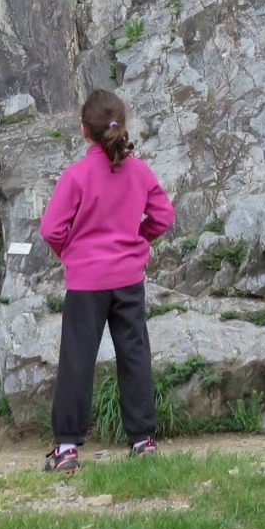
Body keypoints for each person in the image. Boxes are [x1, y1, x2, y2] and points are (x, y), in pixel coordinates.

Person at [39, 90, 175, 471]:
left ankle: (66, 449)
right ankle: (143, 441)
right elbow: (163, 216)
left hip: (86, 281)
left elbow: (51, 228)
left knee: (77, 360)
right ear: (121, 126)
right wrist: (136, 240)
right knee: (134, 355)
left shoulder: (76, 176)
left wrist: (72, 252)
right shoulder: (139, 171)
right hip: (128, 278)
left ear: (84, 131)